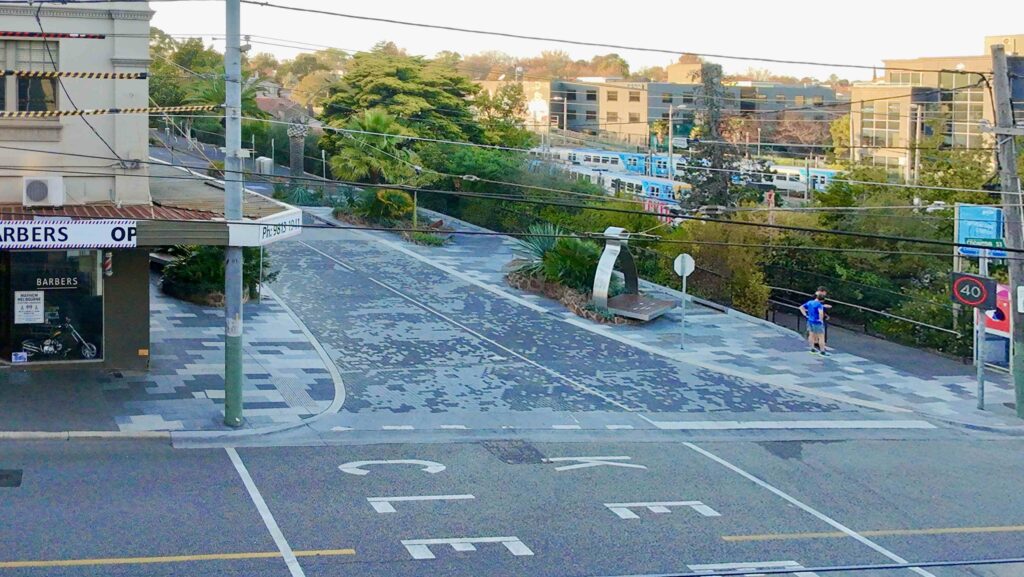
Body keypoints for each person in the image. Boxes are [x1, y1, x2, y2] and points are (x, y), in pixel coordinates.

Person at [799, 287, 832, 356]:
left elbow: (801, 307)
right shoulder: (819, 305)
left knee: (811, 335)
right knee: (821, 337)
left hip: (810, 321)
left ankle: (812, 349)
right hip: (817, 322)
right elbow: (820, 312)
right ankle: (822, 351)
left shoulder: (810, 302)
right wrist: (820, 320)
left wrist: (805, 315)